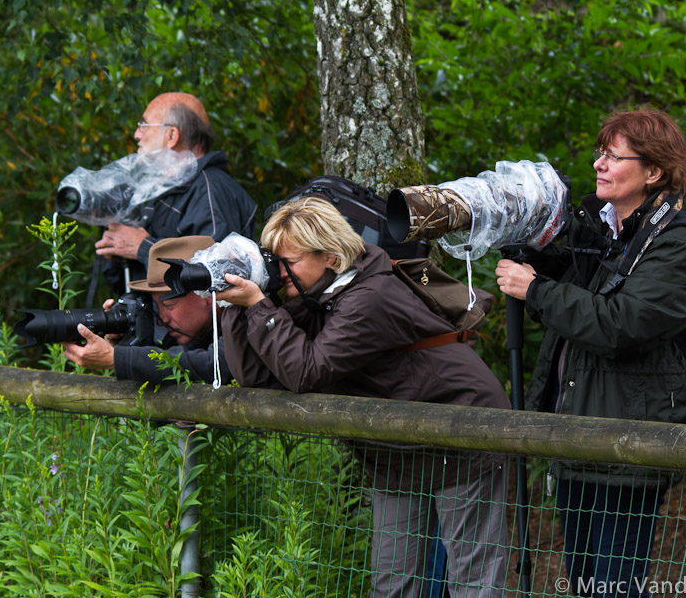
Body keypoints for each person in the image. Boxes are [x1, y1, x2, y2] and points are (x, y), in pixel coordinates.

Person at [218, 197, 510, 598]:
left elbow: (307, 370)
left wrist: (258, 307)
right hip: (398, 448)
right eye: (273, 260)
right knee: (393, 582)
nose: (279, 271)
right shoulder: (320, 297)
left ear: (331, 255)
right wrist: (237, 307)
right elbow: (255, 375)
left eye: (290, 260)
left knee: (472, 580)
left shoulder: (370, 297)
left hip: (463, 432)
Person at [495, 109, 686, 598]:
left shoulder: (676, 243)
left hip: (628, 444)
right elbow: (570, 306)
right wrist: (531, 241)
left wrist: (538, 291)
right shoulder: (601, 231)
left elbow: (621, 324)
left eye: (613, 157)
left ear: (653, 172)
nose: (599, 164)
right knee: (583, 581)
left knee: (613, 588)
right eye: (600, 153)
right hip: (577, 435)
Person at [95, 92, 257, 294]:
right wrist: (115, 254)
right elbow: (135, 284)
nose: (137, 134)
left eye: (144, 126)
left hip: (196, 326)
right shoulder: (157, 190)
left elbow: (218, 276)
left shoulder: (209, 190)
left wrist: (144, 248)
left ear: (171, 136)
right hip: (158, 323)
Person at [62, 235, 231, 385]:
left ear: (208, 295)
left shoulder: (240, 313)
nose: (162, 319)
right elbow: (174, 359)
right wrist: (122, 339)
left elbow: (213, 364)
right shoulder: (202, 330)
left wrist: (115, 358)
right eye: (158, 307)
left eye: (169, 305)